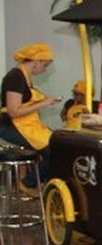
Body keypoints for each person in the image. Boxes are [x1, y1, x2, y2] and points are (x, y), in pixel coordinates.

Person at [0, 43, 61, 190]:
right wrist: (43, 103)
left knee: (58, 144)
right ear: (36, 61)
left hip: (25, 125)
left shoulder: (25, 78)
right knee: (55, 151)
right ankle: (28, 183)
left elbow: (26, 102)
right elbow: (13, 111)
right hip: (9, 126)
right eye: (44, 65)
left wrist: (43, 100)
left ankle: (33, 181)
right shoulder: (15, 77)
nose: (44, 70)